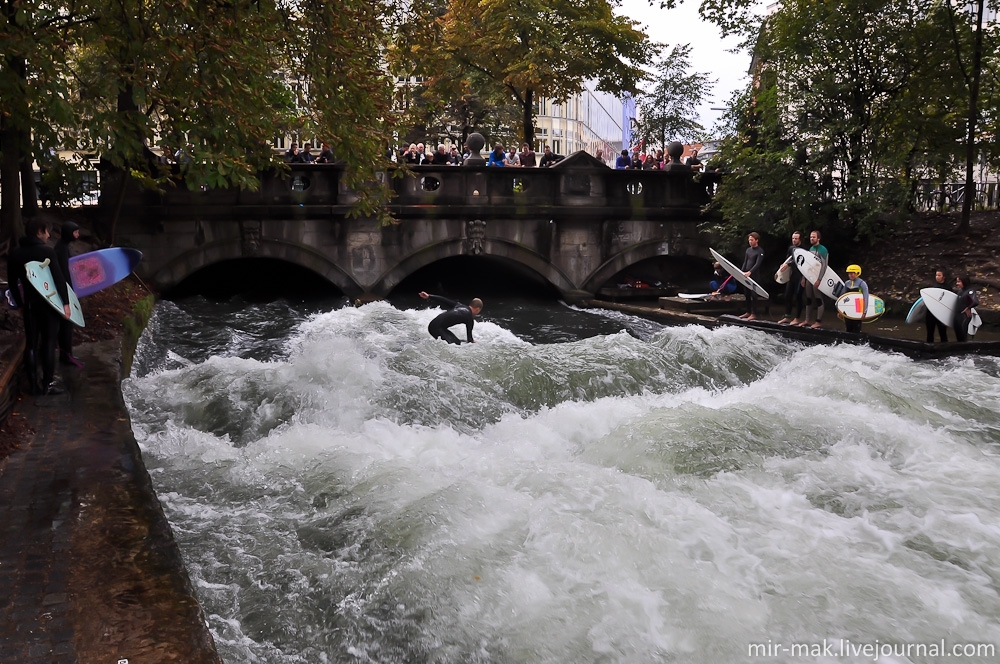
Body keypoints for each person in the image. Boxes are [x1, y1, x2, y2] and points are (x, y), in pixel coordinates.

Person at [7, 219, 71, 395]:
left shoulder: (15, 253)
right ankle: (47, 384)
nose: (48, 235)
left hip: (29, 305)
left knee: (31, 345)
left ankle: (33, 385)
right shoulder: (47, 251)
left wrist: (20, 304)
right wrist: (66, 303)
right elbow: (59, 280)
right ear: (39, 232)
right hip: (49, 305)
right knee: (49, 343)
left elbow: (13, 283)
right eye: (46, 231)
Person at [54, 221, 83, 368]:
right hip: (65, 292)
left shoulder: (63, 246)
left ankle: (67, 354)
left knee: (68, 325)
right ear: (68, 233)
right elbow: (64, 273)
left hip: (66, 290)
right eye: (75, 232)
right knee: (66, 325)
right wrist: (71, 292)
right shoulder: (61, 249)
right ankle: (66, 355)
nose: (78, 235)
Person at [419, 291, 483, 344]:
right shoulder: (469, 318)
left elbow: (444, 300)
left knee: (457, 343)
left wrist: (429, 296)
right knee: (454, 346)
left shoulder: (459, 305)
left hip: (435, 325)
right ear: (478, 309)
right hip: (436, 328)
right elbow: (470, 340)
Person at [800, 229, 828, 329]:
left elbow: (824, 266)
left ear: (818, 238)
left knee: (818, 298)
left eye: (814, 237)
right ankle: (807, 320)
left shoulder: (823, 250)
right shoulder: (811, 248)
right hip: (809, 277)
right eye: (811, 237)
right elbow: (807, 265)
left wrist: (819, 279)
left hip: (817, 277)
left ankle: (818, 321)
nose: (811, 238)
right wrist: (804, 278)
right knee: (808, 298)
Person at [777, 230, 804, 325]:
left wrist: (788, 264)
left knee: (798, 296)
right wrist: (783, 265)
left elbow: (800, 261)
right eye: (793, 238)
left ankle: (797, 318)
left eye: (796, 238)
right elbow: (787, 259)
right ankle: (787, 316)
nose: (794, 240)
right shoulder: (791, 248)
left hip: (800, 275)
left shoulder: (803, 250)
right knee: (787, 295)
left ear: (800, 239)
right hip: (792, 275)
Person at [737, 232, 764, 320]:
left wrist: (750, 272)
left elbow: (758, 264)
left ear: (757, 240)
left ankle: (754, 313)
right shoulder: (748, 250)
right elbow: (745, 262)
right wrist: (741, 271)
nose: (750, 242)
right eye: (749, 240)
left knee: (754, 295)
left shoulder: (760, 251)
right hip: (746, 275)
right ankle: (748, 311)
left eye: (752, 240)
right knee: (747, 294)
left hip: (754, 276)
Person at [841, 264, 869, 334]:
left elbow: (866, 297)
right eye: (849, 273)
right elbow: (842, 297)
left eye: (852, 273)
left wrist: (864, 312)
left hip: (858, 310)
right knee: (848, 328)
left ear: (857, 273)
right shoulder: (847, 283)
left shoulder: (862, 284)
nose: (850, 275)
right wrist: (840, 311)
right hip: (848, 310)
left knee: (856, 329)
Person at [925, 268, 949, 343]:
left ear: (944, 277)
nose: (937, 277)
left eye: (939, 275)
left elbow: (949, 302)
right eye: (936, 275)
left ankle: (945, 349)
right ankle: (929, 348)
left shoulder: (948, 288)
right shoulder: (932, 286)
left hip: (941, 314)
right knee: (930, 332)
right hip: (930, 312)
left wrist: (946, 318)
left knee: (943, 333)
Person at [953, 275, 979, 342]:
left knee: (963, 337)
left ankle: (964, 351)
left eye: (959, 281)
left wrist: (968, 308)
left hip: (964, 317)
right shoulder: (961, 291)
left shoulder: (969, 291)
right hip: (957, 316)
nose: (957, 283)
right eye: (957, 281)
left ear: (964, 281)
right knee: (958, 337)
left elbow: (975, 302)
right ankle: (959, 351)